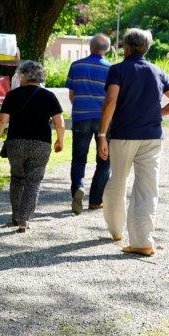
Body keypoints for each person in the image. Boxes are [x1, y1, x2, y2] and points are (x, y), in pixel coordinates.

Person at [97, 28, 169, 256]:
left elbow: (110, 102)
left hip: (124, 135)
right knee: (147, 189)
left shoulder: (118, 70)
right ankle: (143, 241)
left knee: (117, 181)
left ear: (127, 47)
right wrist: (158, 113)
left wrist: (102, 135)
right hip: (152, 136)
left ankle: (116, 231)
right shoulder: (158, 71)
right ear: (146, 48)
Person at [0, 60, 65, 232]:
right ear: (40, 76)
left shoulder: (12, 95)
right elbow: (59, 123)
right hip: (41, 144)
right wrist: (60, 140)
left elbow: (2, 121)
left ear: (22, 75)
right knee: (33, 182)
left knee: (17, 179)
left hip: (16, 143)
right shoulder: (49, 96)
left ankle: (16, 216)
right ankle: (24, 219)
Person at [64, 34, 112, 215]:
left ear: (90, 47)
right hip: (104, 120)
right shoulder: (111, 69)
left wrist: (80, 108)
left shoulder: (76, 65)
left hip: (81, 117)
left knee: (78, 158)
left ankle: (78, 187)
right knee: (104, 160)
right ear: (107, 49)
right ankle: (95, 201)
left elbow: (71, 94)